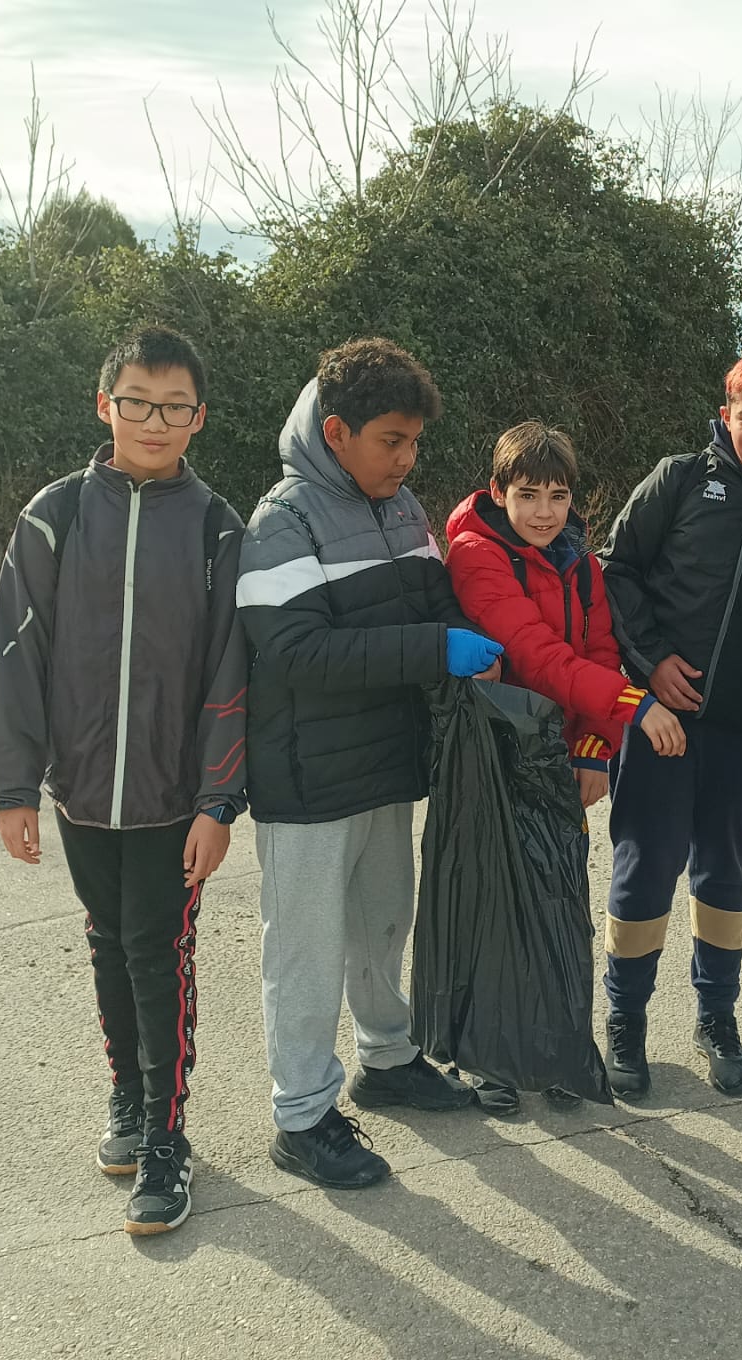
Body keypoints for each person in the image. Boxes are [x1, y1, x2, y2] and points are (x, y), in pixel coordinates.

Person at [0, 324, 248, 1237]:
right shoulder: (55, 515)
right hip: (83, 792)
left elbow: (229, 671)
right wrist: (15, 786)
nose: (154, 420)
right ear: (106, 404)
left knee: (158, 951)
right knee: (108, 943)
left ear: (198, 419)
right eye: (137, 401)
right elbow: (19, 655)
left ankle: (168, 1139)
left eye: (174, 407)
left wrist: (218, 802)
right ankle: (129, 1102)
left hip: (176, 801)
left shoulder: (218, 529)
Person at [239, 338, 500, 1191]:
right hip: (309, 781)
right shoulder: (285, 519)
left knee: (386, 917)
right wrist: (436, 646)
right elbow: (297, 654)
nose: (407, 458)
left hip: (387, 765)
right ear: (338, 430)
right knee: (306, 948)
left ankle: (387, 1060)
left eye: (416, 443)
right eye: (392, 440)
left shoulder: (400, 506)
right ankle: (301, 1113)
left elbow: (434, 601)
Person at [441, 420, 687, 1112]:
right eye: (527, 495)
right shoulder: (474, 554)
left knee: (556, 907)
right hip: (493, 751)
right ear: (498, 492)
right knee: (494, 906)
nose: (543, 512)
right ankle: (488, 1054)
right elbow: (539, 653)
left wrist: (597, 747)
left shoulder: (579, 557)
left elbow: (600, 649)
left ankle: (553, 1050)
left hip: (558, 750)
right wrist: (636, 708)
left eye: (556, 496)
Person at [599, 347, 742, 1098]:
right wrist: (651, 665)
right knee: (645, 868)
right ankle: (624, 1021)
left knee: (726, 873)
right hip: (662, 721)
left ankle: (715, 1018)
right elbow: (615, 570)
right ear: (725, 416)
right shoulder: (681, 478)